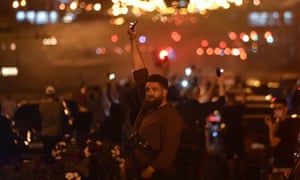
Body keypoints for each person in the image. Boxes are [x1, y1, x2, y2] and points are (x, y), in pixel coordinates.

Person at [125, 22, 183, 179]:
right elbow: (139, 73)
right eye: (148, 90)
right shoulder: (149, 105)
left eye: (154, 90)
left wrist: (151, 169)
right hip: (138, 168)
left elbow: (169, 149)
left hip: (158, 174)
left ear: (164, 92)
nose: (149, 93)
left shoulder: (170, 115)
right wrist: (133, 41)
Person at [175, 72, 225, 180]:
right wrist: (220, 83)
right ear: (199, 94)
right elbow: (221, 101)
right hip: (197, 148)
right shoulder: (201, 108)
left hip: (179, 148)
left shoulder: (177, 108)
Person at [264, 98, 298, 179]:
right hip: (279, 164)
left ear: (286, 109)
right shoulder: (281, 124)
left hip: (284, 166)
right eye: (275, 108)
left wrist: (270, 127)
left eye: (279, 108)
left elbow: (273, 143)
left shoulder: (287, 124)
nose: (276, 111)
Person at [220, 93, 245, 180]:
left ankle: (232, 175)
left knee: (230, 155)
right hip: (239, 134)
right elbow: (243, 105)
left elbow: (222, 119)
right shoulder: (239, 108)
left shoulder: (225, 110)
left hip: (229, 134)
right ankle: (242, 175)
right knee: (240, 155)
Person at [39, 85, 66, 162]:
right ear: (54, 94)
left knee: (47, 155)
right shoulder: (59, 105)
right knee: (57, 156)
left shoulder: (42, 105)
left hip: (45, 133)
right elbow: (63, 117)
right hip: (56, 133)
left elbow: (40, 117)